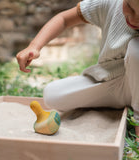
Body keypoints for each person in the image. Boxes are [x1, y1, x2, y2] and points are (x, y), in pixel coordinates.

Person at [16, 0, 139, 141]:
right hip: (112, 82)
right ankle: (125, 103)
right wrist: (34, 46)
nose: (134, 18)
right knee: (52, 95)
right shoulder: (109, 4)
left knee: (137, 49)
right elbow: (63, 19)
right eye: (129, 7)